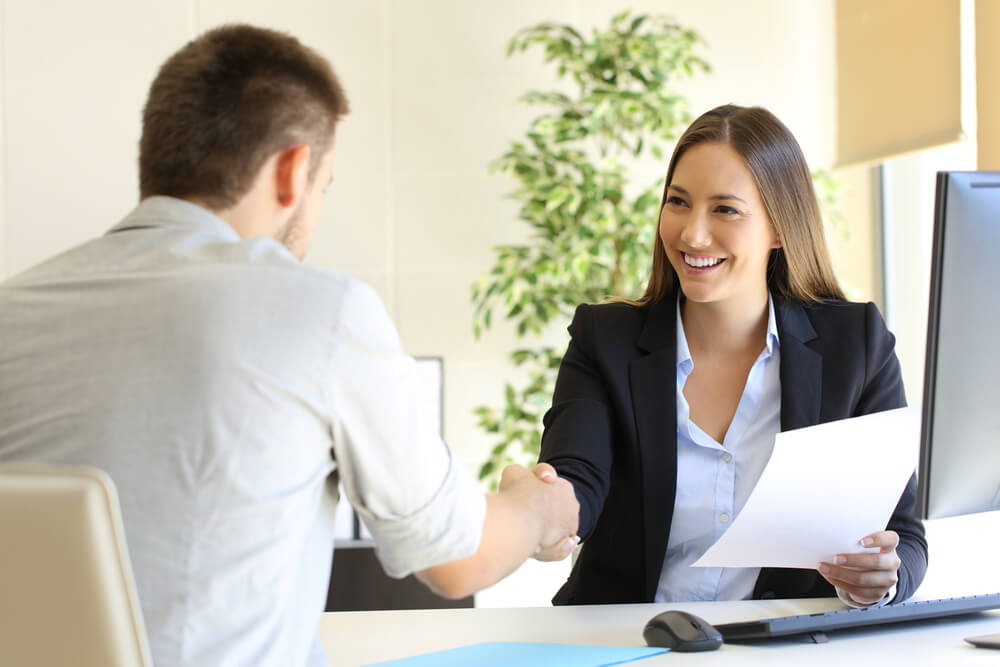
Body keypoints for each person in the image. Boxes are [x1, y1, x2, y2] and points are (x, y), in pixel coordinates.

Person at [0, 25, 578, 667]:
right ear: (293, 170)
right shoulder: (321, 312)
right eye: (324, 185)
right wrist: (540, 507)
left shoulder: (12, 309)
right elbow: (456, 561)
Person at [538, 104, 928, 607]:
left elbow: (903, 534)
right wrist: (546, 516)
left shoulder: (856, 346)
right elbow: (577, 479)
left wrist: (884, 579)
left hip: (784, 648)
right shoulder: (604, 339)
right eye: (678, 202)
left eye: (725, 209)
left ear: (781, 227)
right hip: (628, 642)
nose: (692, 234)